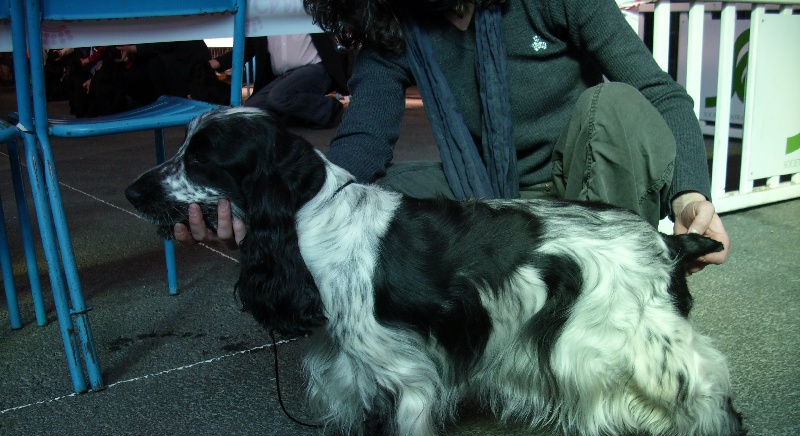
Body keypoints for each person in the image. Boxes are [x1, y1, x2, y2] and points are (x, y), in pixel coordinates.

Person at [176, 0, 729, 274]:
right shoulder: (395, 23)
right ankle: (461, 330)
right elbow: (362, 143)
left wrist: (690, 196)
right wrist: (276, 212)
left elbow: (660, 94)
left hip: (581, 186)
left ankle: (615, 295)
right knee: (367, 202)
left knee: (618, 106)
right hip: (482, 191)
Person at [210, 34, 350, 128]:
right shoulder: (263, 11)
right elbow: (248, 47)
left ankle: (329, 110)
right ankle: (306, 116)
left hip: (315, 67)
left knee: (278, 97)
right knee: (249, 112)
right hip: (283, 76)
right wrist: (218, 62)